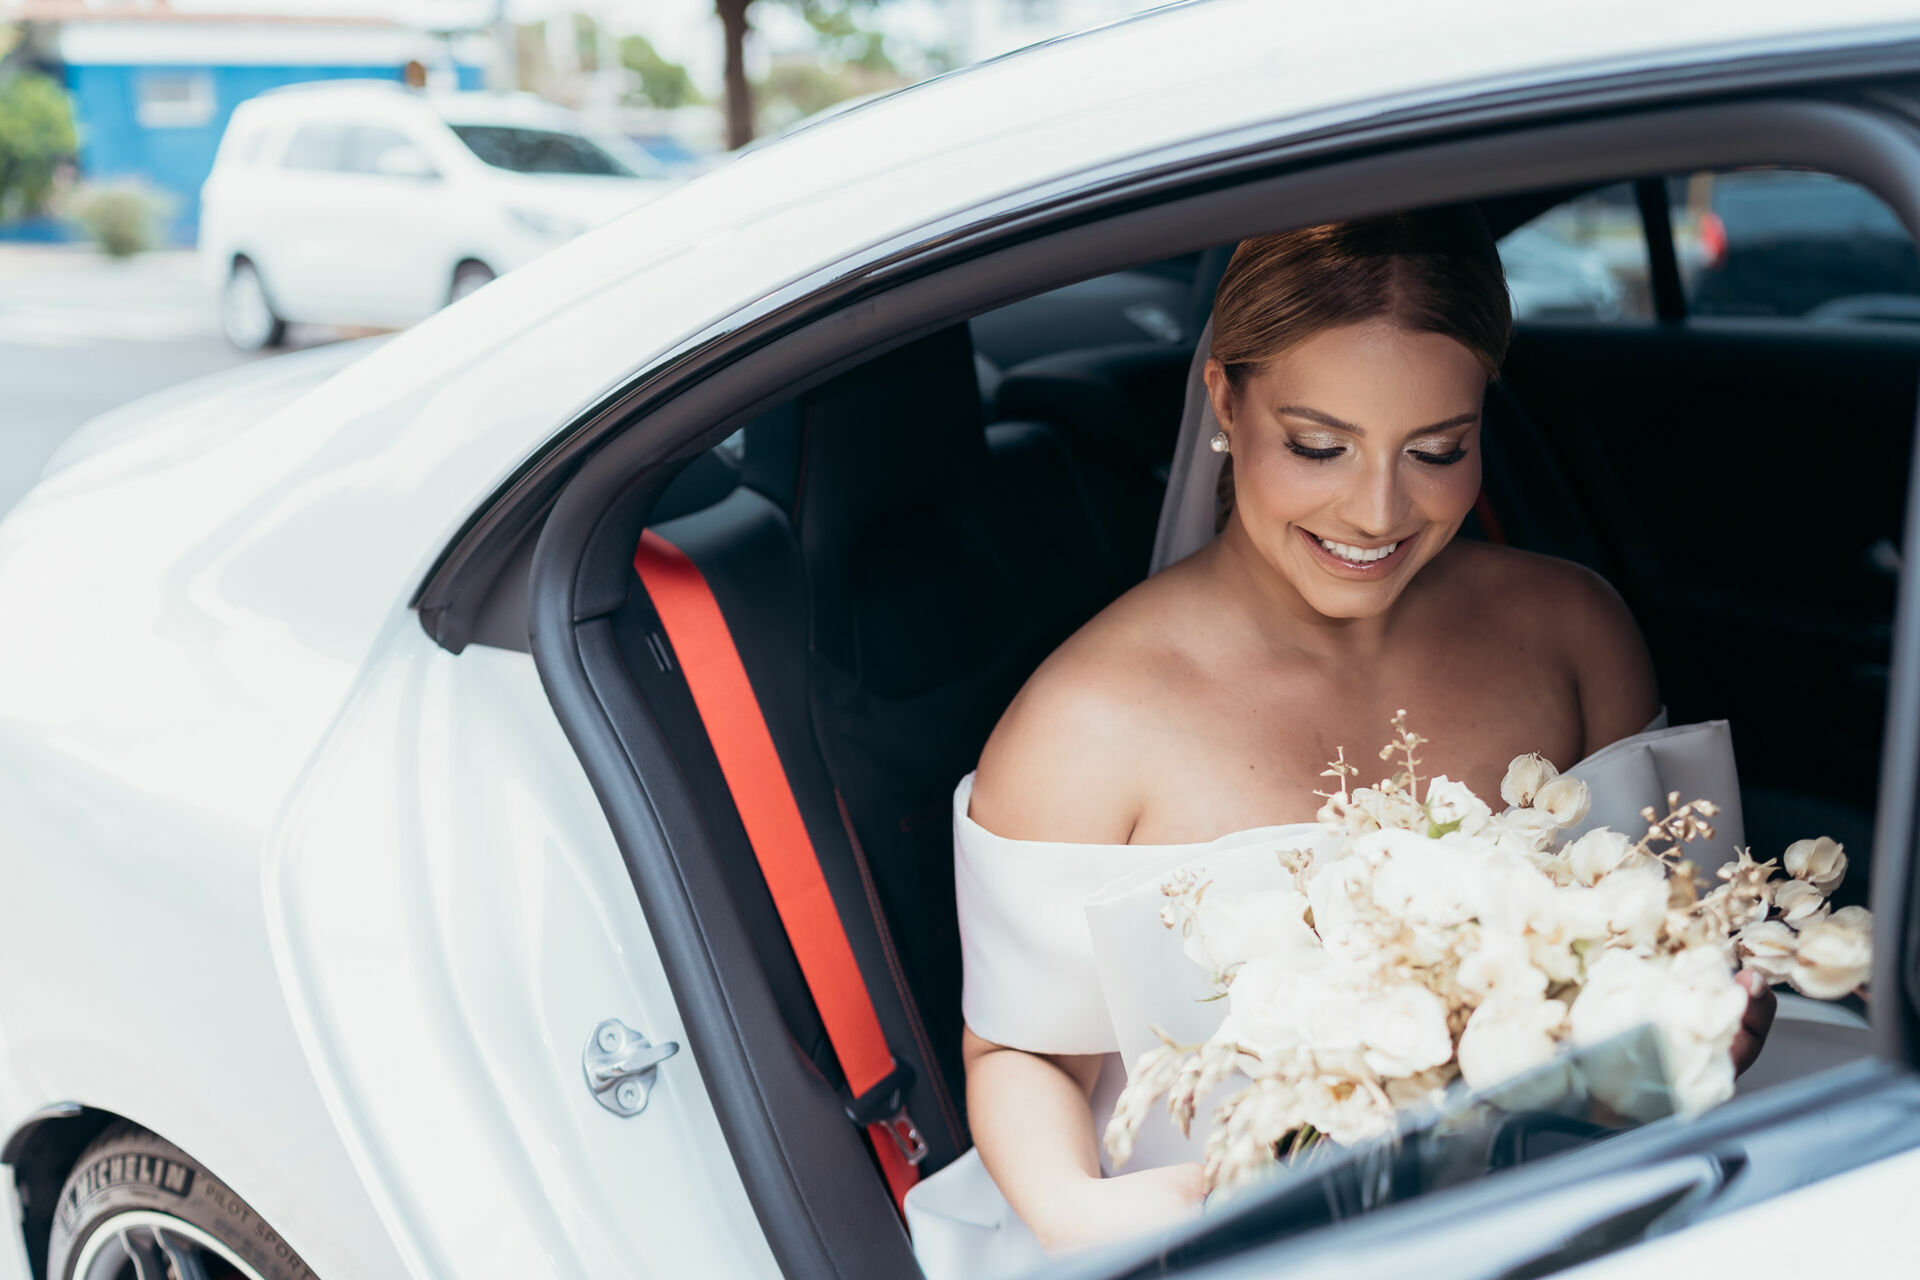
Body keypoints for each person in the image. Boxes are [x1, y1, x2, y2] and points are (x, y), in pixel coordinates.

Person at [899, 206, 1777, 1269]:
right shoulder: (1086, 723)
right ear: (1225, 397)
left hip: (1565, 1189)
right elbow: (1022, 1050)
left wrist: (1696, 1027)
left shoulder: (1570, 632)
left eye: (1438, 450)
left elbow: (1674, 947)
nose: (1375, 510)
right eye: (1319, 445)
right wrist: (1076, 1211)